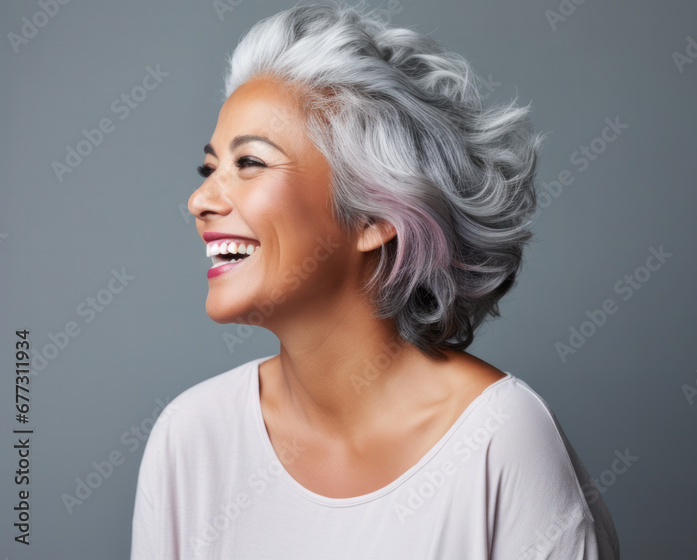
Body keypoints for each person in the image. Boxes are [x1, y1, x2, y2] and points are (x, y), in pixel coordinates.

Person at [130, 2, 619, 558]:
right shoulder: (191, 438)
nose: (200, 200)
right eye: (209, 168)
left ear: (375, 216)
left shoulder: (500, 441)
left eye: (250, 164)